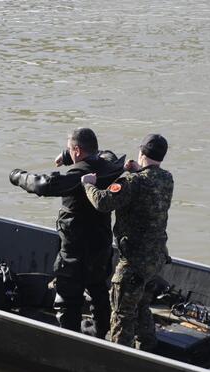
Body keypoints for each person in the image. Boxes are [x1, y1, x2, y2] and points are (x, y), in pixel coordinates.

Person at [9, 128, 125, 338]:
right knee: (98, 291)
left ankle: (70, 340)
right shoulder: (110, 167)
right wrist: (66, 155)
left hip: (75, 253)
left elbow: (42, 185)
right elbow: (108, 154)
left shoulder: (77, 177)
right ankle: (103, 335)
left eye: (71, 150)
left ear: (78, 150)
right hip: (101, 246)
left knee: (67, 299)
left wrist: (16, 176)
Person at [80, 134, 173, 351]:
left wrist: (88, 185)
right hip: (156, 258)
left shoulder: (132, 182)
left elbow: (102, 202)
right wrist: (137, 170)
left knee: (121, 312)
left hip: (134, 262)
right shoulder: (167, 178)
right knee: (141, 305)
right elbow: (148, 183)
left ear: (141, 153)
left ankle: (119, 357)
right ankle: (148, 349)